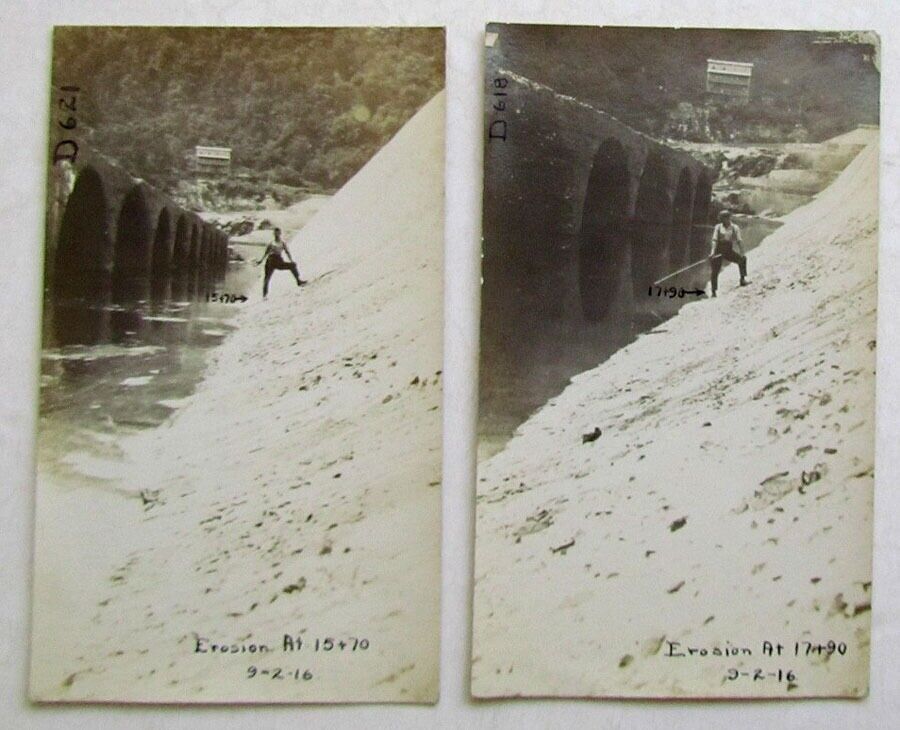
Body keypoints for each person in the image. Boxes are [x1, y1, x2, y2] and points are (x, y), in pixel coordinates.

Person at [256, 227, 306, 298]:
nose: (276, 235)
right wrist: (260, 261)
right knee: (267, 278)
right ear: (274, 234)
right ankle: (265, 295)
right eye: (275, 233)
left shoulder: (282, 243)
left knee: (292, 265)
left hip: (278, 261)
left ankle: (299, 281)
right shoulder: (271, 243)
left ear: (280, 234)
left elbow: (287, 252)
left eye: (278, 233)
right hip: (270, 261)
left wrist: (291, 260)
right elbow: (266, 253)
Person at [709, 209, 749, 297]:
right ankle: (713, 291)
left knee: (742, 259)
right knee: (715, 271)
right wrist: (712, 252)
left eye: (724, 218)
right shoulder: (718, 227)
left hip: (728, 250)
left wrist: (742, 252)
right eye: (721, 219)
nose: (722, 220)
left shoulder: (735, 227)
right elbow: (714, 240)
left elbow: (739, 240)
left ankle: (742, 279)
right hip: (718, 250)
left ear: (728, 218)